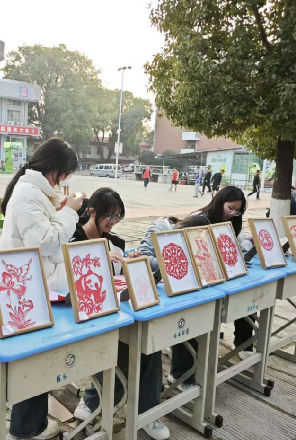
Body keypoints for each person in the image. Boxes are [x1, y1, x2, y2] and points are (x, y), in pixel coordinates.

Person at [0, 137, 84, 440]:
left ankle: (32, 425)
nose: (64, 181)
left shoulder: (34, 192)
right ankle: (25, 429)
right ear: (55, 169)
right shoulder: (28, 194)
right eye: (64, 175)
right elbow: (46, 242)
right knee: (33, 360)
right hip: (24, 292)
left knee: (37, 359)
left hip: (31, 288)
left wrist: (59, 210)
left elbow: (45, 238)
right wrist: (70, 211)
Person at [71, 188, 170, 440]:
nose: (113, 222)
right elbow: (68, 281)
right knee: (125, 345)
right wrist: (98, 259)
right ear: (92, 212)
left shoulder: (115, 242)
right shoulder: (72, 237)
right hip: (78, 312)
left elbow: (120, 280)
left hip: (115, 310)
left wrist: (131, 263)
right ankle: (96, 400)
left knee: (148, 341)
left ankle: (146, 410)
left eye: (117, 217)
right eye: (109, 216)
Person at [193, 187, 254, 357]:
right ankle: (194, 351)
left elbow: (239, 243)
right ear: (219, 202)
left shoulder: (234, 221)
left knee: (247, 294)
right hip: (202, 275)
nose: (232, 213)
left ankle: (244, 343)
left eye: (237, 211)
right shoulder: (199, 219)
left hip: (225, 274)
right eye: (230, 208)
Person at [168, 216, 212, 390]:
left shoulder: (202, 243)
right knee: (186, 328)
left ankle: (188, 373)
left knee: (197, 326)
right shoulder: (168, 240)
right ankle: (180, 375)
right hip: (176, 297)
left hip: (195, 293)